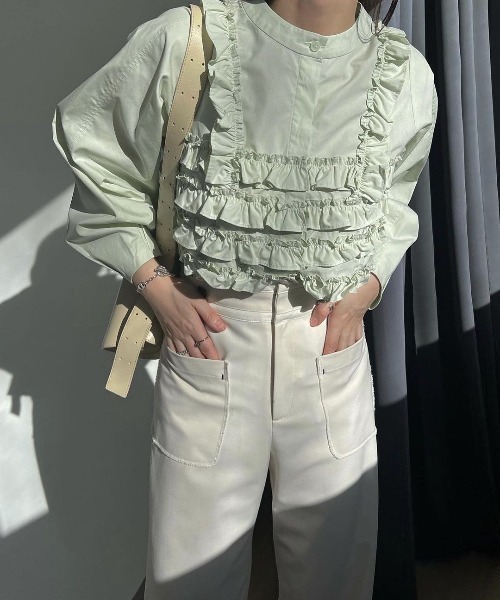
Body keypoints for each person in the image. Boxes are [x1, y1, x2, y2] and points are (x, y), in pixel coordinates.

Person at [52, 0, 438, 597]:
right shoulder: (190, 38)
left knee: (337, 578)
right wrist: (157, 286)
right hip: (213, 345)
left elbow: (394, 195)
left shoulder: (401, 70)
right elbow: (95, 145)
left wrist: (368, 285)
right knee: (190, 579)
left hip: (329, 351)